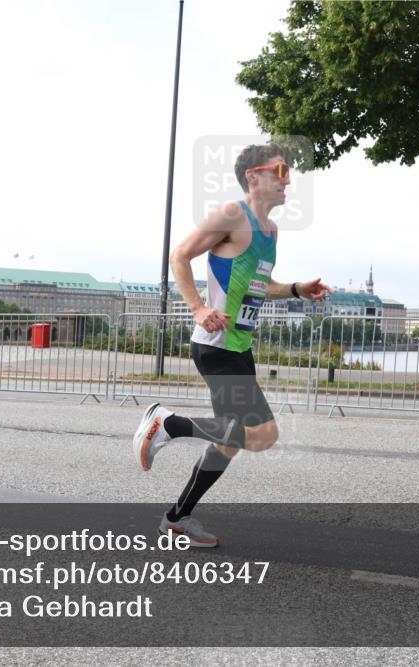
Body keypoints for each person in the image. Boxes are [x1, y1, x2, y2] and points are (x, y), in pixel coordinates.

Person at [132, 143, 331, 547]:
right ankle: (167, 423)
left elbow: (260, 286)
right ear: (253, 177)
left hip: (239, 347)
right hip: (215, 345)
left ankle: (177, 517)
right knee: (264, 435)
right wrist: (197, 307)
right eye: (280, 170)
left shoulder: (270, 232)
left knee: (230, 442)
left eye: (289, 172)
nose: (287, 179)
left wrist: (296, 289)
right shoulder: (231, 214)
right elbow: (180, 255)